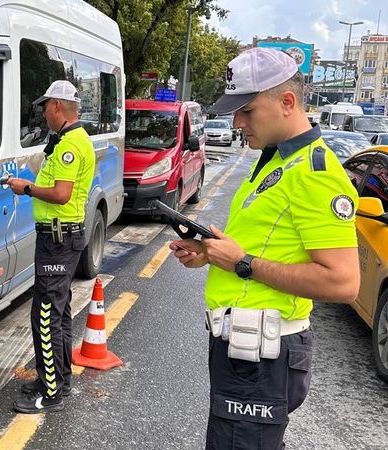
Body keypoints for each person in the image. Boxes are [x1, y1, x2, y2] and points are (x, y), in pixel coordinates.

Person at [169, 47, 360, 449]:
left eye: (247, 110)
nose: (237, 123)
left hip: (261, 355)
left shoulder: (315, 172)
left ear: (287, 102)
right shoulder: (276, 161)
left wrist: (243, 263)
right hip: (245, 349)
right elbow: (267, 245)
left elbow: (343, 283)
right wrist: (209, 254)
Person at [6, 80, 96, 413]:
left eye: (46, 107)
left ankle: (51, 392)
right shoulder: (62, 142)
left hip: (59, 239)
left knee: (44, 315)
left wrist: (26, 188)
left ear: (58, 106)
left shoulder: (71, 144)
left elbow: (61, 194)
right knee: (59, 312)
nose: (44, 114)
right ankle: (58, 378)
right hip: (59, 237)